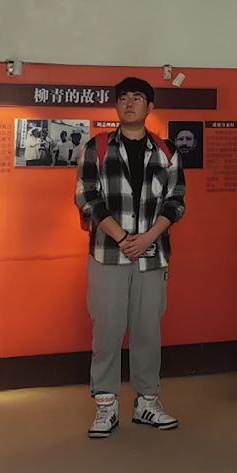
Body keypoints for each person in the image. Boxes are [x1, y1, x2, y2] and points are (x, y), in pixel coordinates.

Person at [76, 76, 185, 437]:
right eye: (123, 98)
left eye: (138, 98)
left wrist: (148, 237)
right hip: (108, 254)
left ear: (150, 107)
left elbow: (176, 201)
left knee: (148, 330)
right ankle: (106, 405)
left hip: (152, 256)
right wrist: (123, 237)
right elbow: (87, 197)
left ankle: (147, 402)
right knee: (106, 330)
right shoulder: (97, 147)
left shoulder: (167, 151)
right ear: (116, 105)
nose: (129, 103)